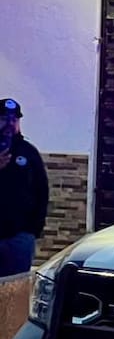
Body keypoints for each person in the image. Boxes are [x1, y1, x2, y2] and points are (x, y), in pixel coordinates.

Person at [0, 99, 49, 276]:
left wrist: (32, 231)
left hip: (19, 238)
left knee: (15, 296)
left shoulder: (29, 151)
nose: (10, 123)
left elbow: (42, 192)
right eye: (5, 118)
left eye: (14, 119)